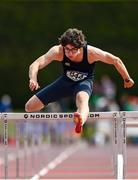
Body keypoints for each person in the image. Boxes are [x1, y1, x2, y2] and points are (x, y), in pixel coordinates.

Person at [25, 28, 134, 133]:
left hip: (83, 83)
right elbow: (36, 64)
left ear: (80, 47)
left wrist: (127, 78)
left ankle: (80, 120)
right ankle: (76, 116)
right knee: (29, 107)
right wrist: (33, 79)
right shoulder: (58, 51)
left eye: (73, 50)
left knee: (82, 99)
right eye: (67, 49)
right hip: (65, 82)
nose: (70, 53)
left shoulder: (91, 52)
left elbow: (116, 60)